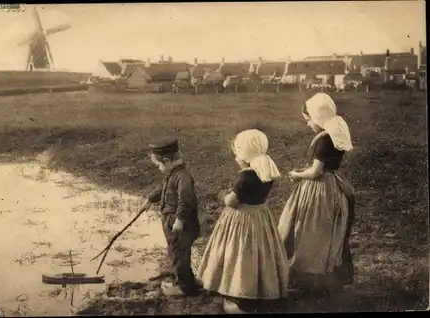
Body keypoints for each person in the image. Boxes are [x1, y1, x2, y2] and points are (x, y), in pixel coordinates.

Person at [196, 129, 289, 314]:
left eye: (237, 153)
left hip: (242, 218)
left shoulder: (245, 176)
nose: (236, 157)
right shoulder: (265, 169)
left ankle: (240, 296)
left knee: (240, 254)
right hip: (260, 214)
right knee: (260, 253)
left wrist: (222, 194)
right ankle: (262, 290)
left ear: (244, 154)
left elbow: (231, 202)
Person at [278, 92, 356, 295]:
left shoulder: (324, 140)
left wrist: (296, 175)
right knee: (326, 232)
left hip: (320, 189)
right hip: (332, 185)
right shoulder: (335, 133)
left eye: (309, 120)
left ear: (318, 118)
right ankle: (324, 278)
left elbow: (315, 172)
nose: (308, 125)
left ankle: (309, 280)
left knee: (309, 231)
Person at [138, 136, 202, 297]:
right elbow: (163, 188)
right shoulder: (173, 174)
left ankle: (186, 289)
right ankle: (187, 281)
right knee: (177, 253)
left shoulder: (183, 177)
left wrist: (179, 219)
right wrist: (150, 199)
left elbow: (186, 199)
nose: (159, 168)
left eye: (158, 165)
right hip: (172, 221)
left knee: (178, 255)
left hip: (179, 223)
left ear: (166, 161)